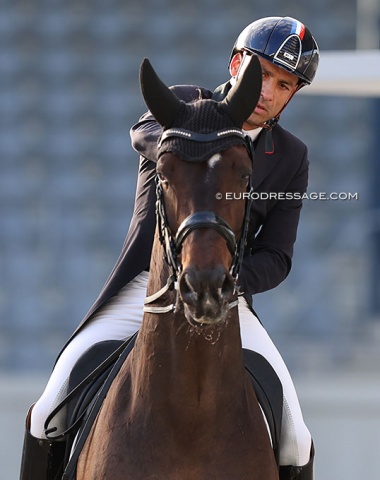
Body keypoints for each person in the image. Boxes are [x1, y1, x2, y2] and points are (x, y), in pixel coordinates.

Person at [20, 16, 319, 480]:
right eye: (262, 73)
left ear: (292, 95)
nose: (268, 92)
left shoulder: (293, 156)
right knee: (47, 411)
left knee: (296, 438)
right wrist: (198, 140)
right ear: (237, 63)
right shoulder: (182, 103)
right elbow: (142, 133)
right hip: (148, 284)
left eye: (284, 85)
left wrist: (228, 281)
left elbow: (278, 256)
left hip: (223, 291)